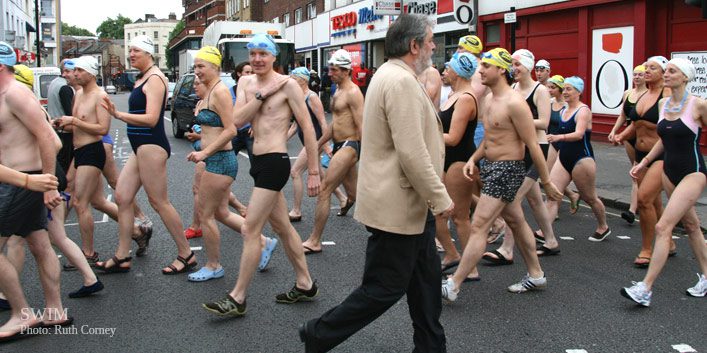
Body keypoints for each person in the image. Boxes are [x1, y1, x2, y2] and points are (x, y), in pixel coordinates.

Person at [299, 15, 452, 352]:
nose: (432, 46)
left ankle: (431, 347)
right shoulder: (400, 82)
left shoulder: (393, 75)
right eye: (429, 40)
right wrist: (440, 198)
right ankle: (318, 333)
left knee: (426, 287)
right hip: (398, 206)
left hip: (411, 208)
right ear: (414, 46)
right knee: (384, 287)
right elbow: (411, 152)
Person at [201, 33, 321, 316]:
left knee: (250, 229)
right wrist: (262, 95)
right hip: (258, 161)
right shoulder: (246, 82)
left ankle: (237, 297)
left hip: (276, 161)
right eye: (253, 53)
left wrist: (313, 170)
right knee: (282, 227)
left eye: (263, 54)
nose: (256, 59)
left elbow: (308, 127)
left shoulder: (289, 85)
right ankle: (305, 284)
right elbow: (238, 120)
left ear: (273, 57)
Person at [441, 48, 562, 301]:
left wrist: (547, 182)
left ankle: (454, 284)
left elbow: (533, 144)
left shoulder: (515, 103)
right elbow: (489, 139)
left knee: (479, 225)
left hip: (508, 169)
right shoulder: (488, 99)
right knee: (516, 221)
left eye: (486, 66)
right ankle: (536, 275)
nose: (480, 70)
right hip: (491, 167)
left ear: (500, 70)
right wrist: (474, 159)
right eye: (480, 65)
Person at [100, 35, 195, 274]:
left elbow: (152, 119)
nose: (131, 55)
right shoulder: (142, 77)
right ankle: (122, 255)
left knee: (158, 201)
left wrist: (119, 115)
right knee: (122, 197)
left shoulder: (154, 79)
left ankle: (186, 254)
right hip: (139, 146)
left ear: (148, 54)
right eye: (129, 51)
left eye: (135, 51)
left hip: (151, 145)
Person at [621, 58, 707, 306]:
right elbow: (664, 139)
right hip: (669, 171)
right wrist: (644, 162)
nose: (667, 74)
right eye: (666, 70)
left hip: (693, 172)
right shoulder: (663, 103)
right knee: (691, 226)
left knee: (663, 227)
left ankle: (645, 289)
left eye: (672, 71)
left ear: (685, 77)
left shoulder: (698, 105)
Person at [0, 41, 71, 340]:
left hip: (21, 182)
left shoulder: (14, 94)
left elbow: (48, 138)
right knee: (40, 244)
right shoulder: (7, 95)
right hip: (22, 180)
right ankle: (54, 311)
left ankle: (21, 314)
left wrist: (44, 183)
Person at [483, 49, 561, 264]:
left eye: (517, 64)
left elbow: (544, 123)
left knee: (513, 199)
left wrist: (516, 121)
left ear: (527, 67)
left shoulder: (540, 91)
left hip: (537, 150)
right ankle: (551, 241)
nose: (513, 69)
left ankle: (507, 249)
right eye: (511, 65)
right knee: (535, 200)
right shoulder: (514, 88)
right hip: (519, 150)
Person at [301, 50, 363, 254]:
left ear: (346, 71)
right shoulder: (337, 91)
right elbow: (336, 123)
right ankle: (388, 228)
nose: (329, 73)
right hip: (339, 144)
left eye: (334, 70)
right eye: (330, 69)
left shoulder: (353, 93)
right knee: (355, 195)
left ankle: (314, 240)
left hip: (350, 145)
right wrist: (318, 143)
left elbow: (362, 126)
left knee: (325, 189)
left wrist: (368, 155)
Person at [615, 56, 674, 267]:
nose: (647, 70)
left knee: (644, 199)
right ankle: (671, 243)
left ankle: (647, 249)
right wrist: (622, 135)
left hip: (660, 155)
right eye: (646, 67)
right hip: (640, 155)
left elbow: (669, 128)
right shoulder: (642, 95)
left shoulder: (666, 96)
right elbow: (638, 124)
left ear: (663, 72)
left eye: (653, 68)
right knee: (654, 201)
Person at [545, 77, 610, 241]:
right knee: (552, 194)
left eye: (569, 89)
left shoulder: (583, 111)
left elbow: (579, 134)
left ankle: (603, 226)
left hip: (582, 159)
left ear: (579, 92)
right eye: (564, 89)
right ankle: (544, 232)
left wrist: (559, 137)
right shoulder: (562, 110)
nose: (565, 92)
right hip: (564, 157)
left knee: (590, 197)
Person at [434, 52, 480, 281]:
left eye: (449, 68)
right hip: (447, 159)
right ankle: (452, 254)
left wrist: (426, 133)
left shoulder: (466, 98)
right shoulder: (454, 94)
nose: (445, 71)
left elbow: (453, 137)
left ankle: (471, 268)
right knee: (437, 210)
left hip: (460, 160)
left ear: (458, 72)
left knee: (460, 217)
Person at [285, 67, 344, 223]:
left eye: (293, 78)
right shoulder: (297, 97)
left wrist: (325, 145)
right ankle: (343, 199)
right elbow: (295, 126)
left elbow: (323, 122)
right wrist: (281, 140)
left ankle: (296, 211)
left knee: (295, 172)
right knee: (322, 174)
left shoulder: (311, 97)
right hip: (307, 141)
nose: (290, 81)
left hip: (315, 141)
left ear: (302, 80)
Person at [609, 65, 647, 224]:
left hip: (643, 135)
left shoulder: (648, 95)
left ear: (646, 77)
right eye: (635, 75)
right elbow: (623, 115)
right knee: (635, 172)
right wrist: (614, 131)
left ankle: (633, 209)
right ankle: (637, 206)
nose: (637, 77)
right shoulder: (627, 94)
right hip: (629, 135)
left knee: (639, 174)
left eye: (640, 75)